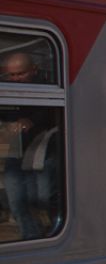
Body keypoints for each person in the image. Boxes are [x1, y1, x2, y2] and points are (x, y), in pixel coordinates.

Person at [0, 46, 61, 241]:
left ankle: (46, 231)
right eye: (12, 75)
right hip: (14, 151)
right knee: (16, 199)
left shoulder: (48, 87)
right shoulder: (5, 88)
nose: (16, 79)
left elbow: (56, 113)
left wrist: (31, 121)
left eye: (21, 73)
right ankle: (30, 236)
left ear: (34, 69)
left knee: (41, 197)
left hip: (42, 151)